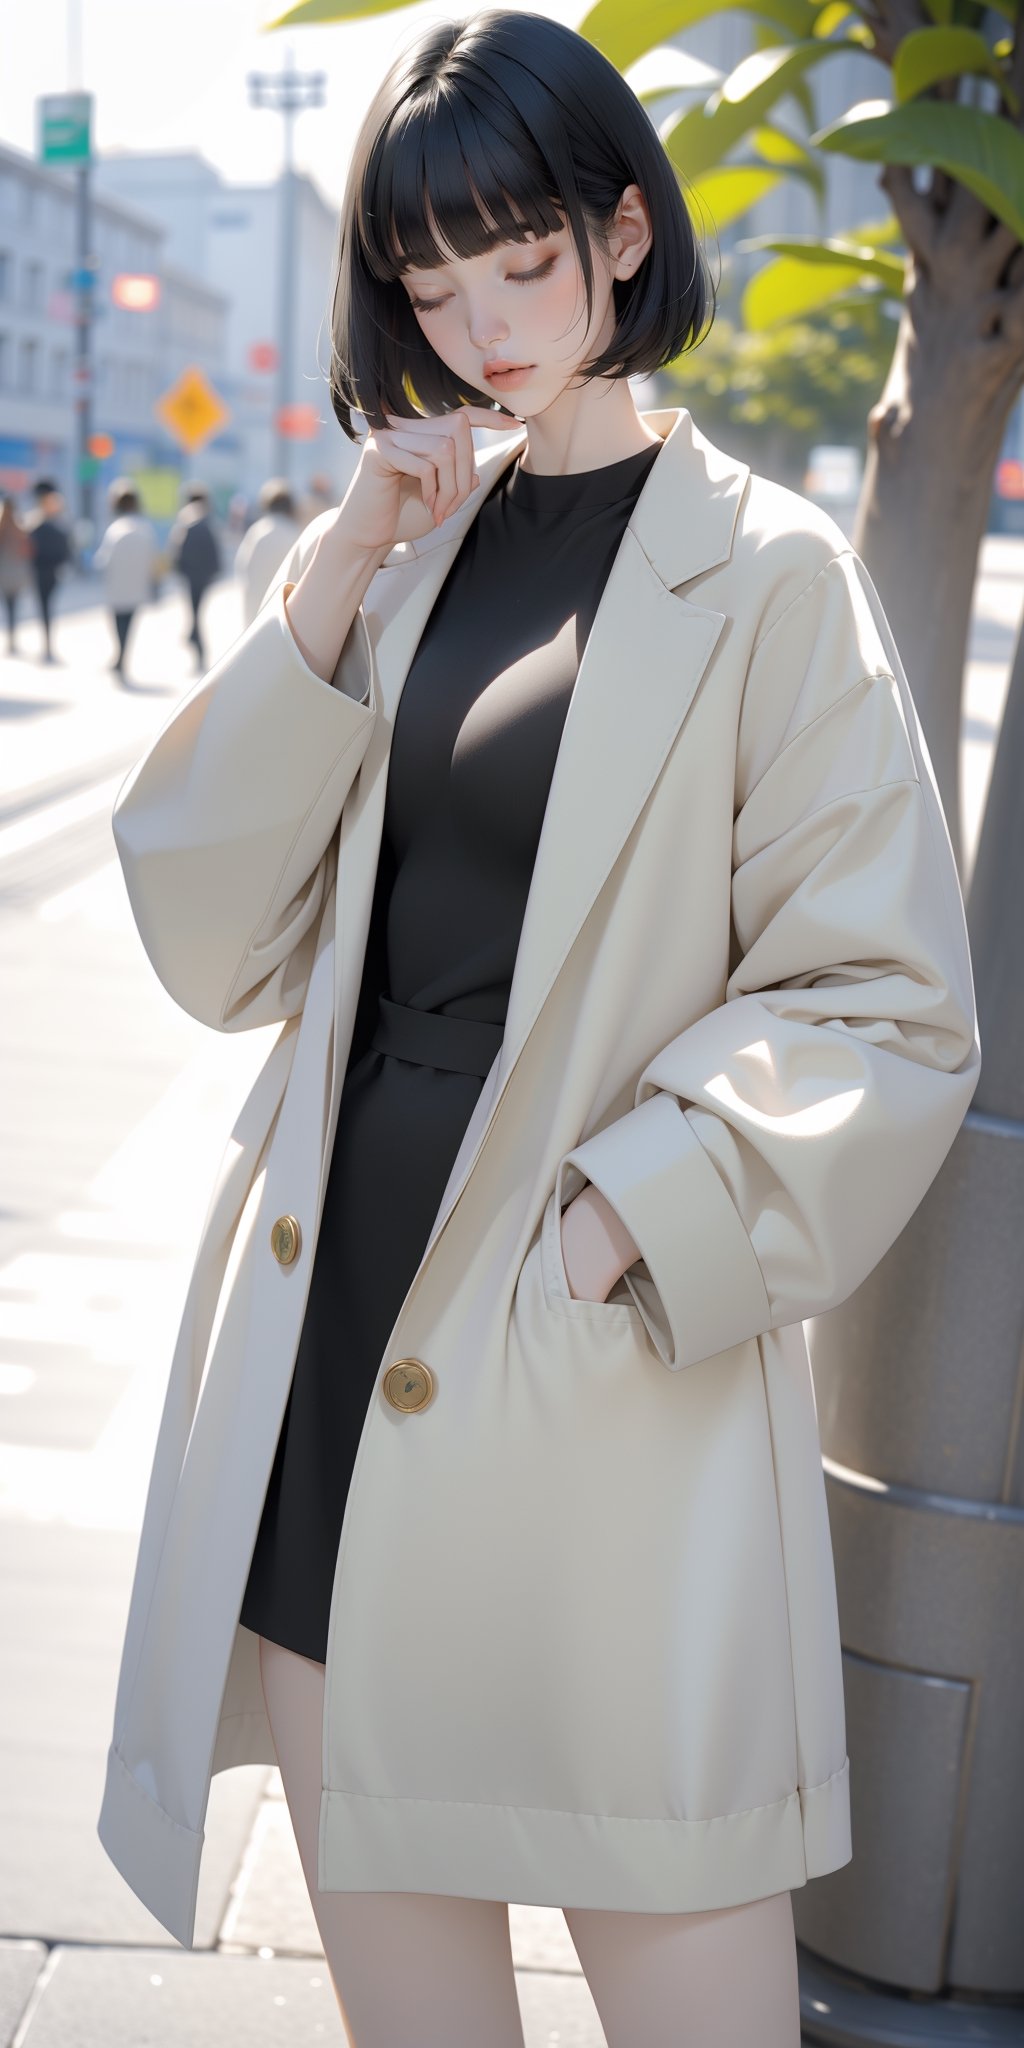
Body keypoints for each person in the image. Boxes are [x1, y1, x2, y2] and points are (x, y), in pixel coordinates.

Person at [98, 12, 981, 2046]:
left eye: (517, 260)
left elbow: (885, 999)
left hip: (601, 1383)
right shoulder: (404, 565)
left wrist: (619, 1221)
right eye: (430, 276)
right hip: (341, 1354)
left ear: (613, 233)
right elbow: (216, 935)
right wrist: (331, 576)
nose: (481, 322)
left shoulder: (765, 581)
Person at [92, 479, 159, 683]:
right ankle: (122, 657)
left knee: (118, 624)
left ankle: (119, 657)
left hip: (117, 587)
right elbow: (153, 561)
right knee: (128, 624)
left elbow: (103, 560)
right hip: (137, 586)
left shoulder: (115, 529)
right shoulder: (145, 529)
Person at [233, 478, 304, 629]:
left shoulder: (257, 531)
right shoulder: (295, 534)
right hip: (284, 607)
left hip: (255, 602)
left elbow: (241, 566)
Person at [167, 481, 221, 670]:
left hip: (191, 574)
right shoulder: (207, 521)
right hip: (204, 575)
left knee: (195, 612)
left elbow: (178, 549)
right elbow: (215, 551)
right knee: (197, 612)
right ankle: (194, 640)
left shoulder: (187, 519)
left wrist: (178, 569)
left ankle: (195, 640)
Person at [24, 479, 72, 663]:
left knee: (45, 606)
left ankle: (48, 644)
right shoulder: (37, 522)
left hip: (48, 570)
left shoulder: (54, 523)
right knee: (44, 607)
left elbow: (66, 548)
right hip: (42, 569)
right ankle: (47, 644)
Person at [0, 494, 31, 654]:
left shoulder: (2, 526)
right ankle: (12, 636)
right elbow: (27, 550)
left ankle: (11, 636)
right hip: (16, 572)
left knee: (7, 605)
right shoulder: (19, 527)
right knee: (13, 605)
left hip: (4, 572)